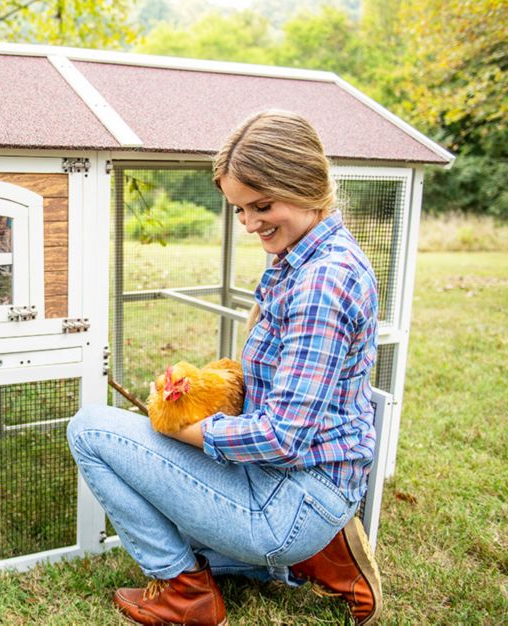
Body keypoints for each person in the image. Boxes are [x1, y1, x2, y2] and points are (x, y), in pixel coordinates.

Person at [66, 110, 382, 625]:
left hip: (291, 491)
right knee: (159, 503)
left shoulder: (322, 282)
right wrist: (206, 391)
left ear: (306, 186)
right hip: (289, 482)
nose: (251, 223)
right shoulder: (298, 256)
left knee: (89, 431)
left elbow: (282, 437)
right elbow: (274, 384)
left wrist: (177, 426)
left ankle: (187, 591)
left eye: (262, 205)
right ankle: (306, 556)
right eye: (238, 209)